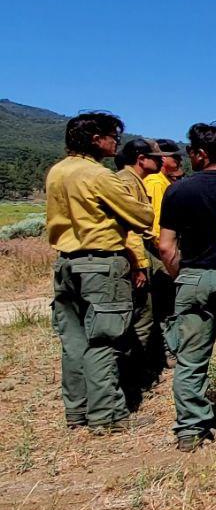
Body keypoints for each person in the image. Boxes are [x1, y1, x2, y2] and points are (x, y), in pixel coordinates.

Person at [46, 112, 155, 432]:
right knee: (105, 341)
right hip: (101, 264)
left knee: (74, 341)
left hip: (66, 262)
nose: (116, 142)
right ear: (96, 140)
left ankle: (77, 411)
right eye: (112, 136)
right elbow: (142, 217)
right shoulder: (99, 175)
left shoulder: (57, 171)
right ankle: (107, 416)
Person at [158, 123, 216, 454]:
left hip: (194, 276)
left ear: (201, 153)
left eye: (190, 152)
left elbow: (166, 246)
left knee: (190, 358)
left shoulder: (178, 190)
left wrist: (181, 274)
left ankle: (190, 429)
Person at [113, 139, 168, 405]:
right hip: (135, 256)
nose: (161, 162)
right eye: (156, 157)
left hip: (137, 254)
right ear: (140, 158)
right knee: (141, 319)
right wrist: (139, 265)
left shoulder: (136, 180)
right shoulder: (128, 181)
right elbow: (131, 229)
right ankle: (133, 383)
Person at [142, 139, 185, 365]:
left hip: (156, 248)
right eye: (173, 156)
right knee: (167, 299)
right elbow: (159, 225)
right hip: (160, 251)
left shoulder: (156, 181)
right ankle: (168, 350)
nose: (178, 161)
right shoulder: (157, 184)